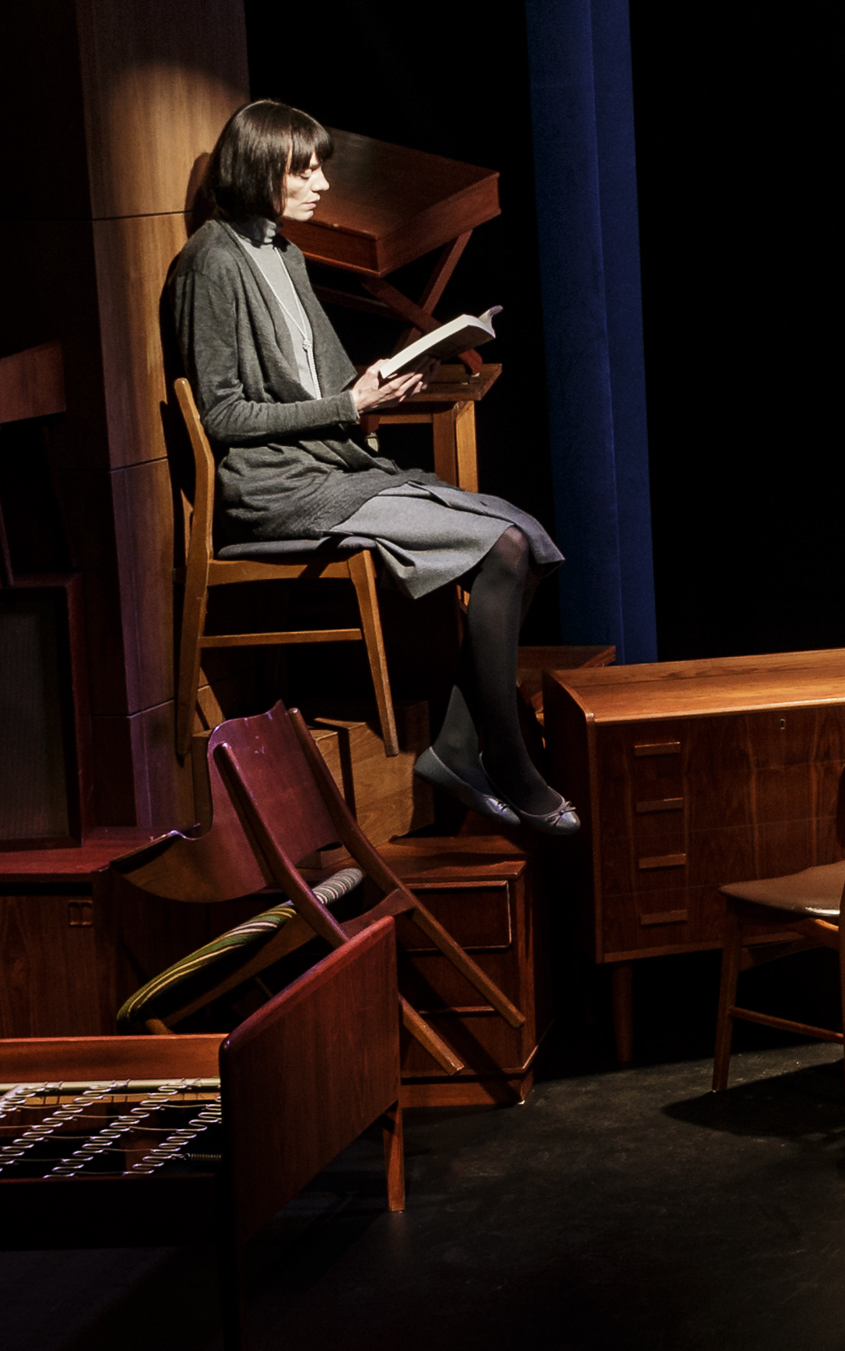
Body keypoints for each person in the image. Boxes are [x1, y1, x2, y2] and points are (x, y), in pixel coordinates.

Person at [165, 100, 578, 835]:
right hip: (275, 487)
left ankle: (458, 748)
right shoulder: (210, 263)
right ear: (259, 170)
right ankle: (506, 762)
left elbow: (328, 384)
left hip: (331, 468)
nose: (322, 184)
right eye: (304, 170)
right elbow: (222, 417)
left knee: (527, 540)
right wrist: (347, 405)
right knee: (505, 547)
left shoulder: (285, 254)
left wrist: (383, 381)